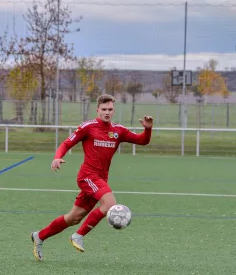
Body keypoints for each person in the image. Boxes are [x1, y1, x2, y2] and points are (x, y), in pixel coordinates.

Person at [30, 94, 153, 261]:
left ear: (113, 110)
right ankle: (78, 235)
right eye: (104, 109)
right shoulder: (88, 127)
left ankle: (39, 236)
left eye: (110, 109)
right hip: (87, 176)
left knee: (73, 218)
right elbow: (67, 143)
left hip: (100, 180)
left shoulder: (118, 130)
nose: (107, 112)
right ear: (97, 110)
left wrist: (147, 129)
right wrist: (57, 157)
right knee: (110, 203)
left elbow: (142, 141)